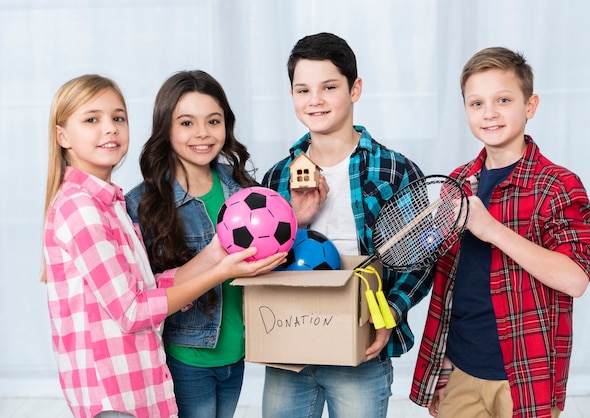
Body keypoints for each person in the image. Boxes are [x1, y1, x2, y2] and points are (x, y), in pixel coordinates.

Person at [42, 74, 286, 418]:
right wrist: (221, 271)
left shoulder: (106, 204)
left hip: (138, 381)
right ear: (62, 135)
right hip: (112, 394)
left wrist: (217, 253)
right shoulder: (81, 209)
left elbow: (149, 287)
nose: (109, 129)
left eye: (118, 118)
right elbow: (132, 311)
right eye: (92, 120)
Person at [410, 47, 590, 418]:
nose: (489, 113)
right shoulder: (459, 183)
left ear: (530, 106)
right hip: (462, 370)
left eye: (503, 100)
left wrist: (492, 229)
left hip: (525, 378)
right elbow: (453, 285)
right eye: (476, 103)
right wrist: (444, 366)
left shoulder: (557, 186)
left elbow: (575, 279)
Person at [261, 32, 432, 418]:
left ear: (355, 89)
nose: (315, 100)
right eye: (302, 90)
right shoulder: (275, 179)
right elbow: (256, 261)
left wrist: (388, 311)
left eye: (329, 87)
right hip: (290, 344)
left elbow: (423, 255)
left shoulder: (393, 170)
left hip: (362, 345)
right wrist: (293, 218)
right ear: (291, 96)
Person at [125, 70, 259, 418]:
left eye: (213, 121)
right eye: (186, 123)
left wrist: (298, 217)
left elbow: (269, 254)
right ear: (165, 129)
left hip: (237, 353)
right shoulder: (142, 205)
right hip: (186, 359)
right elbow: (144, 295)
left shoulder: (244, 190)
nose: (202, 133)